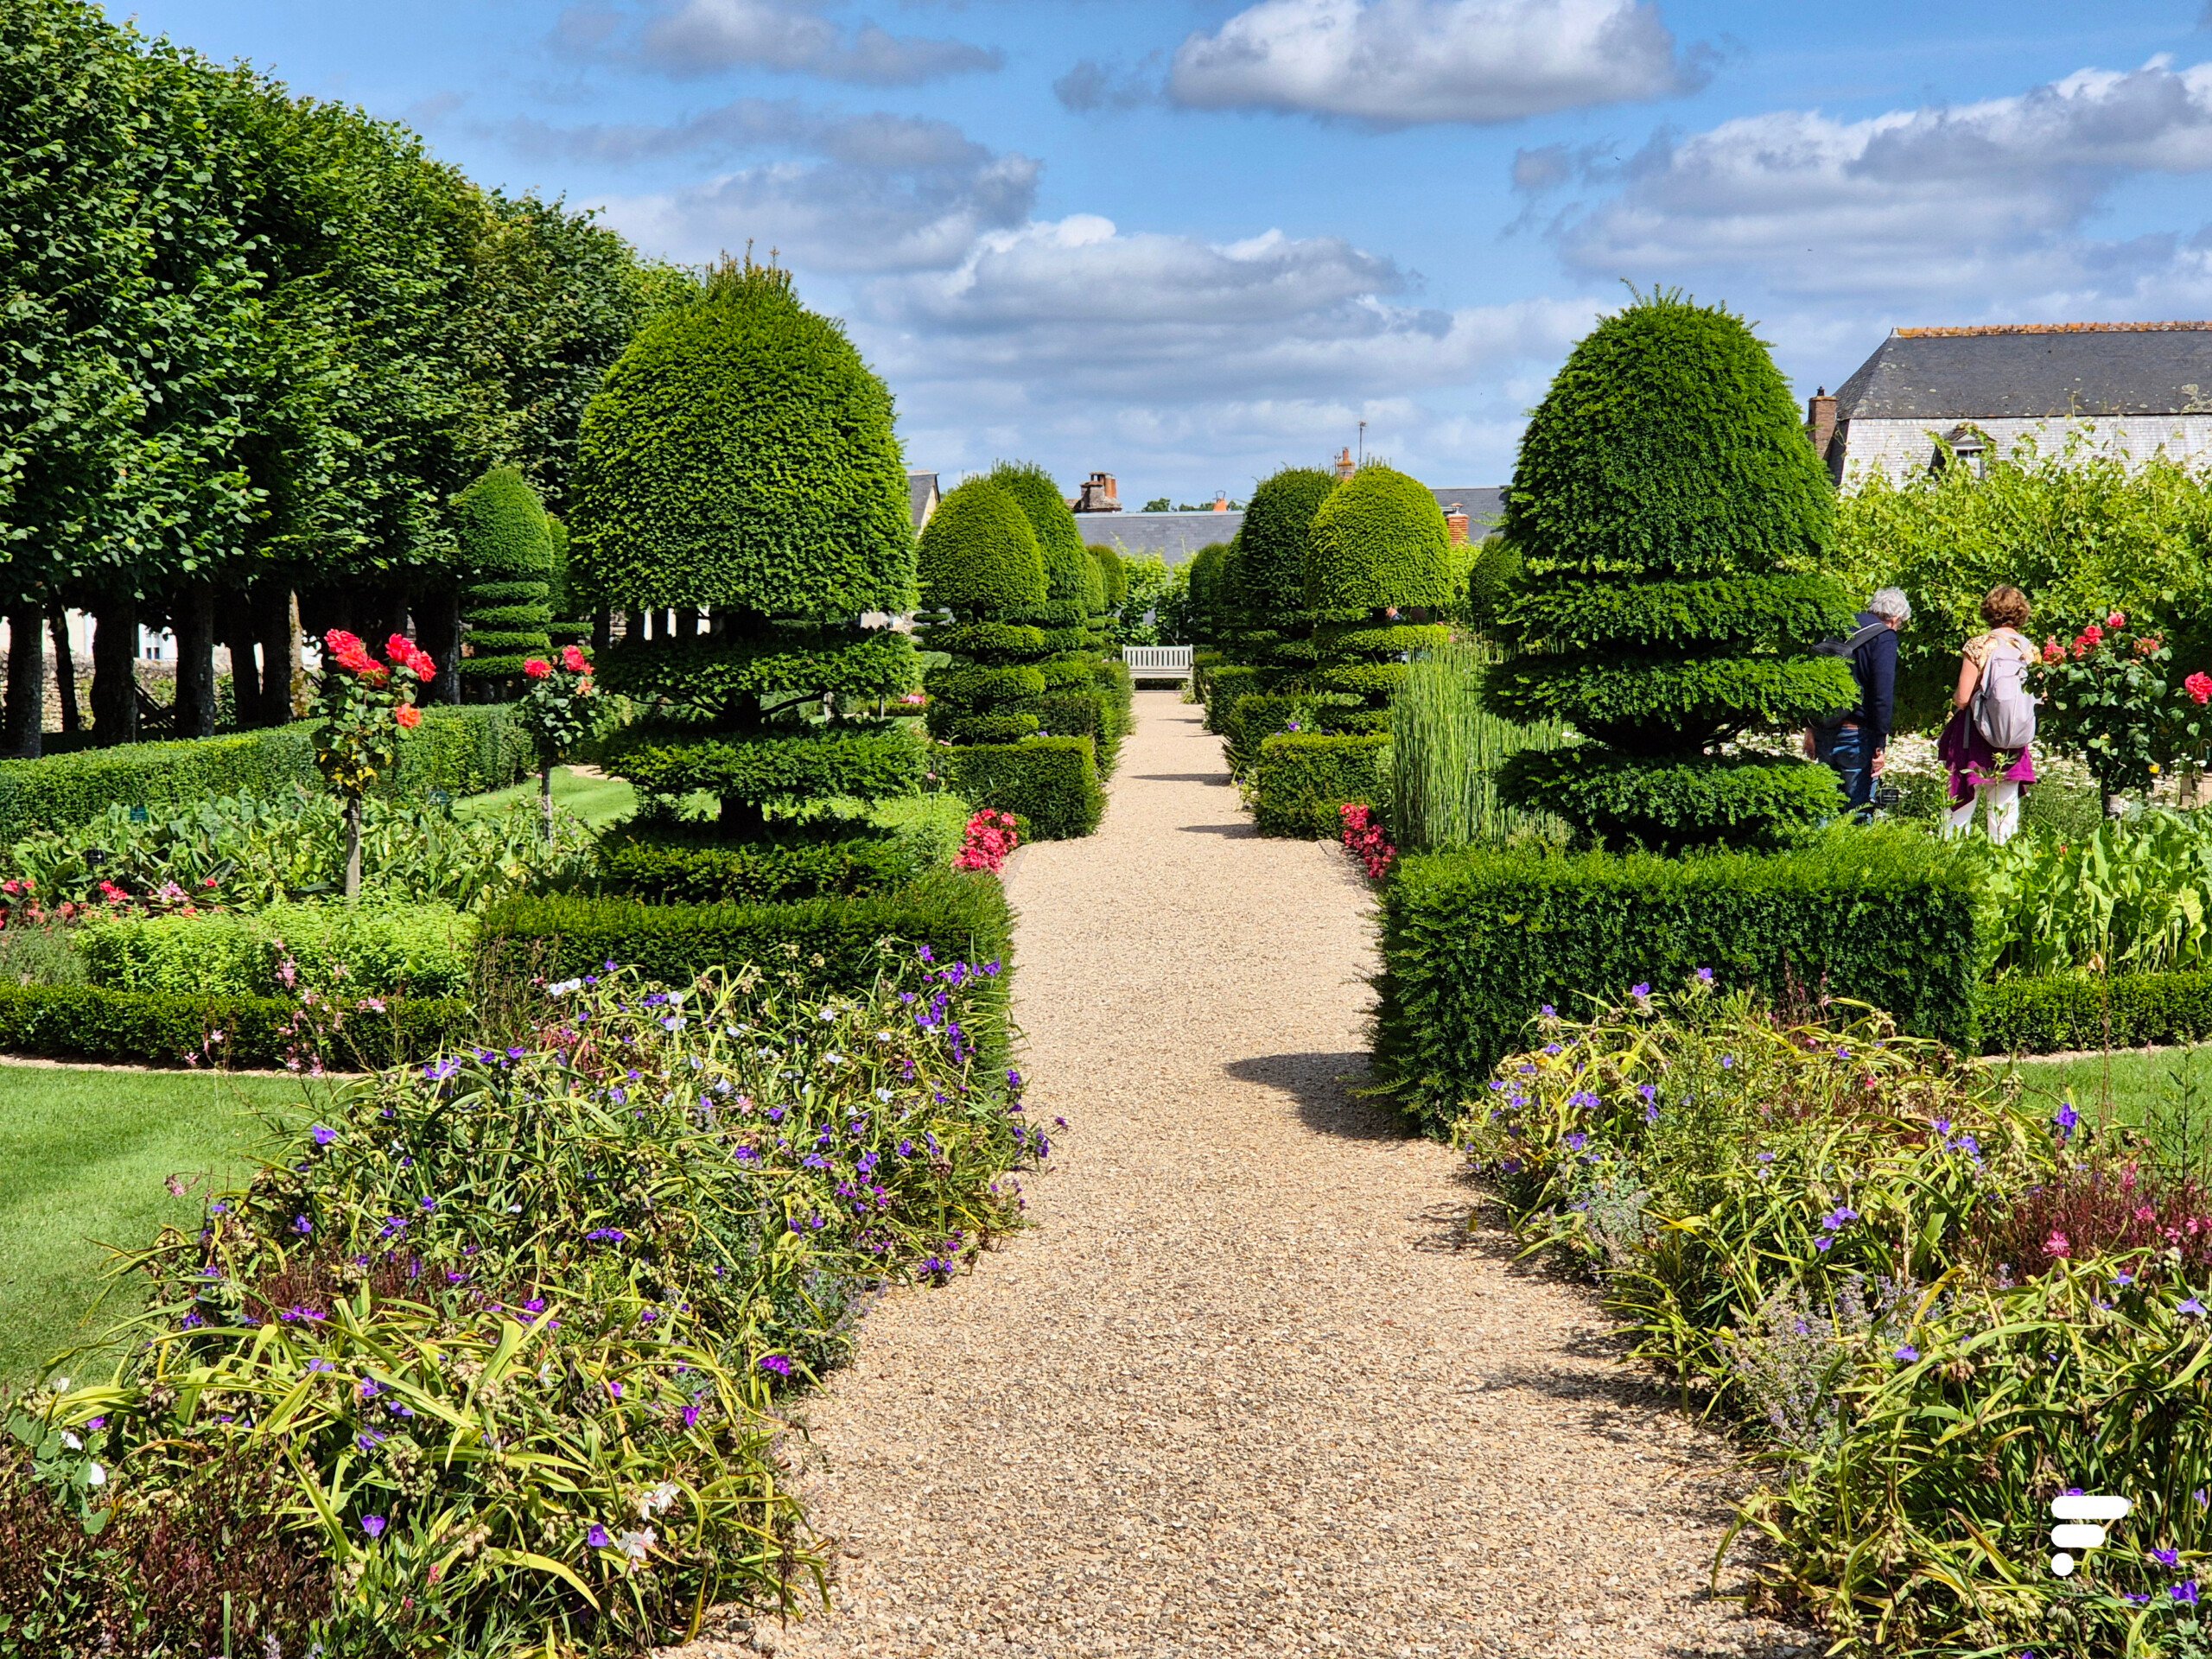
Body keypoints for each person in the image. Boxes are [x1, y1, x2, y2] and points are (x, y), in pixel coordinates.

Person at [1938, 584, 2037, 844]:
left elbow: (1962, 698)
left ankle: (1951, 856)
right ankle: (2004, 865)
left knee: (1961, 801)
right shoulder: (2030, 650)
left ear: (1988, 611)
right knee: (2005, 807)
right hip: (2014, 736)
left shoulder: (1979, 645)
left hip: (1975, 733)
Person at [1802, 587, 1909, 820]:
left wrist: (1809, 727)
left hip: (1824, 729)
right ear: (1896, 619)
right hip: (1856, 735)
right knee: (1857, 812)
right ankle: (1852, 855)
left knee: (1825, 806)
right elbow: (1882, 695)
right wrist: (1880, 745)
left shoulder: (1839, 626)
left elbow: (1812, 680)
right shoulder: (1884, 637)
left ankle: (1817, 854)